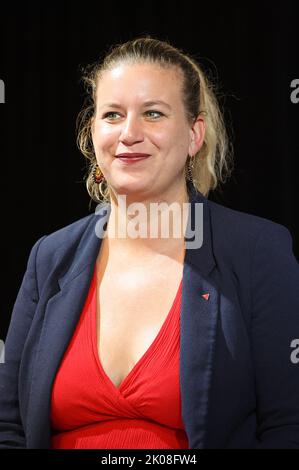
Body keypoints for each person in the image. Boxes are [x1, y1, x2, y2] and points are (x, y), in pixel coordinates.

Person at [0, 36, 299, 450]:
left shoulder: (256, 250)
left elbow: (288, 424)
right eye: (113, 115)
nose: (130, 133)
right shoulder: (49, 257)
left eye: (153, 114)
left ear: (195, 135)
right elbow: (9, 427)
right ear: (94, 132)